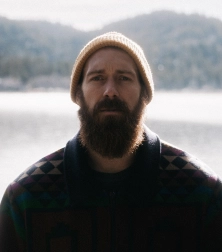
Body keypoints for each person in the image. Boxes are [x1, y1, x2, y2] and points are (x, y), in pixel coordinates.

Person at [0, 32, 222, 252]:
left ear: (145, 94)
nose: (110, 92)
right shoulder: (25, 198)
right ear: (78, 94)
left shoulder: (201, 191)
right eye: (97, 78)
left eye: (124, 78)